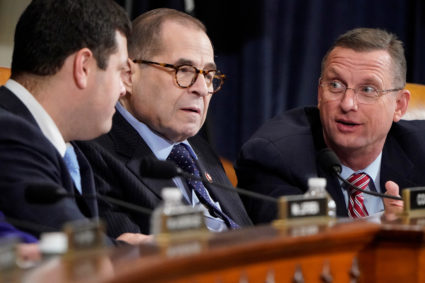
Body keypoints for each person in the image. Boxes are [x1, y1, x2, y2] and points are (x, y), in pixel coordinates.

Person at [77, 8, 252, 236]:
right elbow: (130, 258)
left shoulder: (198, 150)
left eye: (208, 75)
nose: (201, 89)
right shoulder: (94, 154)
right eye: (184, 70)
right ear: (129, 75)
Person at [235, 28, 422, 224]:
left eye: (368, 90)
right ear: (319, 93)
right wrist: (382, 233)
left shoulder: (420, 149)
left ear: (399, 105)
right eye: (335, 85)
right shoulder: (274, 157)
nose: (347, 104)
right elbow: (291, 243)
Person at [0, 0, 149, 245]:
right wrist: (133, 251)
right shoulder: (8, 133)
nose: (124, 90)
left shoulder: (75, 153)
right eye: (121, 71)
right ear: (84, 67)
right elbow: (74, 247)